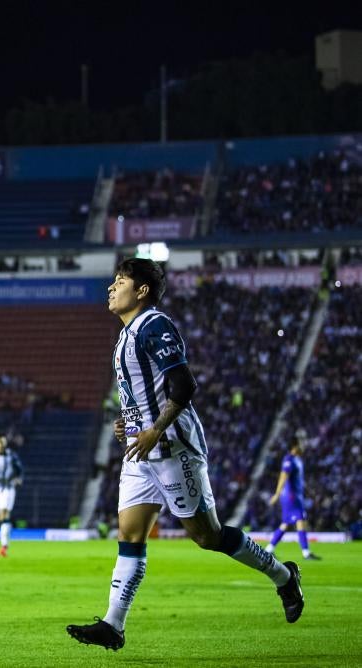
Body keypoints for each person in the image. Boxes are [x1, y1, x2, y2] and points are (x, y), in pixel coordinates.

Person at [66, 258, 304, 652]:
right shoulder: (125, 336)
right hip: (140, 450)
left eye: (119, 281)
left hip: (172, 444)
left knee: (206, 536)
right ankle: (113, 624)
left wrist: (154, 428)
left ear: (141, 291)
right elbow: (143, 395)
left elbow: (183, 383)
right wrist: (127, 423)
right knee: (129, 533)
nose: (111, 288)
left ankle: (284, 576)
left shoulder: (153, 325)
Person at [265, 435, 321, 560]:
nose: (304, 445)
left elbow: (298, 480)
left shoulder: (298, 460)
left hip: (296, 495)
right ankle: (306, 552)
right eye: (301, 443)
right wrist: (277, 494)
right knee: (301, 520)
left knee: (285, 524)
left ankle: (269, 549)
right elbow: (283, 476)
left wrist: (307, 491)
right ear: (295, 446)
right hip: (291, 496)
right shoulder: (289, 459)